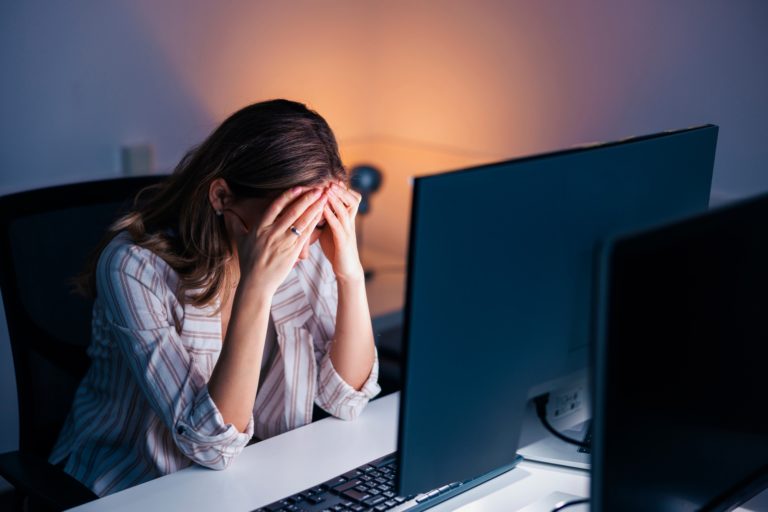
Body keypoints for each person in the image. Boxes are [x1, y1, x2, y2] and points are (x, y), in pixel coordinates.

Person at [49, 99, 380, 496]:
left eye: (316, 222)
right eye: (288, 224)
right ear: (222, 197)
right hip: (137, 484)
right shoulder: (133, 267)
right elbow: (210, 445)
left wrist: (349, 272)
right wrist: (255, 287)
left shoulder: (309, 248)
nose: (304, 249)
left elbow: (346, 399)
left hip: (251, 479)